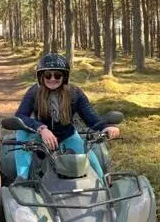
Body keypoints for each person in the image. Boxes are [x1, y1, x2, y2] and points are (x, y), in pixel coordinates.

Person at [14, 52, 120, 180]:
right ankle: (22, 178)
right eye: (48, 75)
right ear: (41, 76)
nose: (52, 78)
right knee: (21, 132)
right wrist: (41, 128)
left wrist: (106, 127)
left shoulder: (74, 93)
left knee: (95, 166)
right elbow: (20, 116)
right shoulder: (34, 92)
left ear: (65, 76)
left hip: (66, 135)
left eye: (57, 75)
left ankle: (104, 190)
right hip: (39, 137)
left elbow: (90, 117)